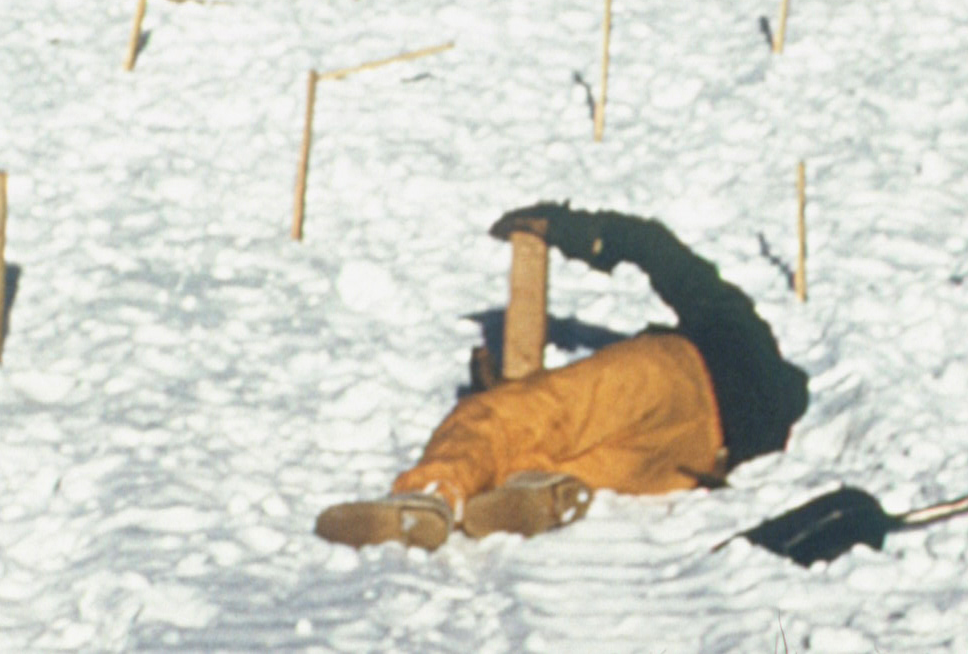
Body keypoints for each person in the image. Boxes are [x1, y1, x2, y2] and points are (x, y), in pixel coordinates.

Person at [315, 205, 810, 550]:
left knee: (527, 411)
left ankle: (430, 494)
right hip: (695, 460)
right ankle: (529, 495)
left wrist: (565, 225)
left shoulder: (732, 327)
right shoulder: (771, 409)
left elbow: (655, 248)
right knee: (561, 453)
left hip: (677, 377)